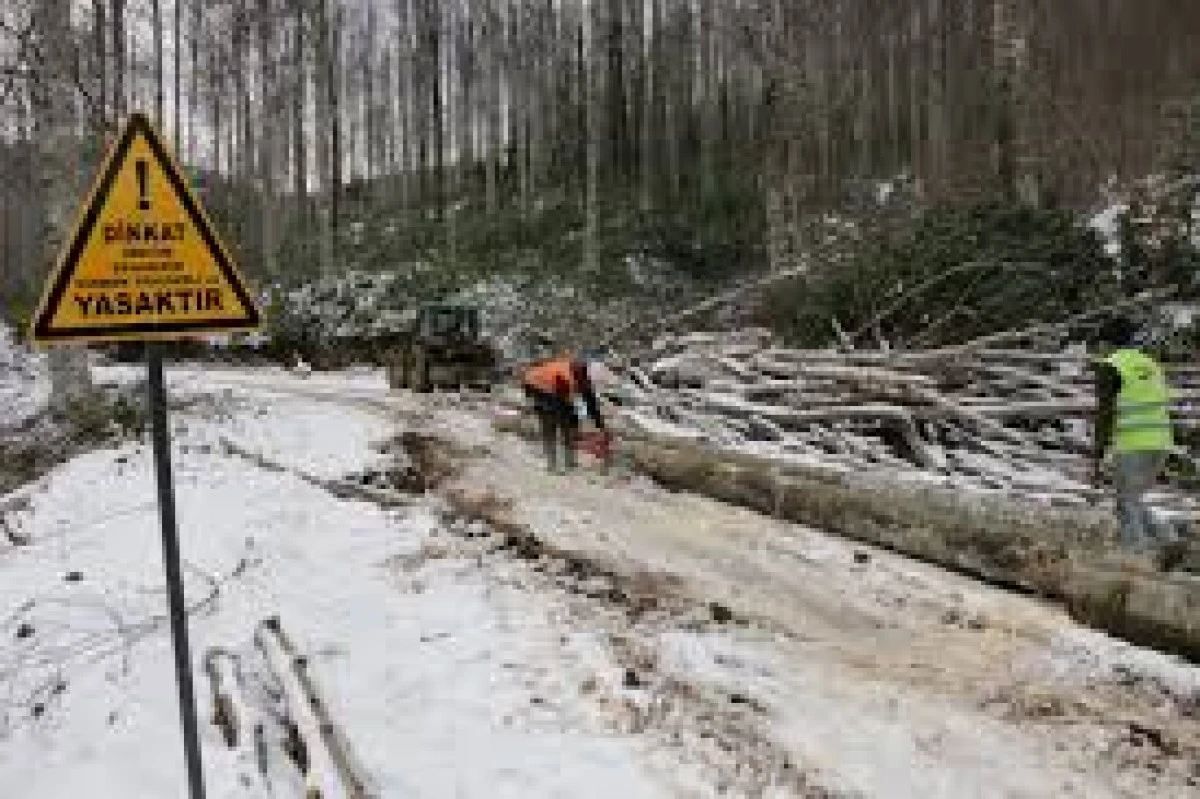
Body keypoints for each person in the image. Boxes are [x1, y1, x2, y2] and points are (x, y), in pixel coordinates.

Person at [1091, 317, 1175, 559]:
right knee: (1130, 499)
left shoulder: (1111, 366)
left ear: (1109, 343)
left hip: (1132, 444)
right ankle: (1168, 539)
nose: (1100, 349)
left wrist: (1097, 455)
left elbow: (1104, 415)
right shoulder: (1150, 364)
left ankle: (1136, 558)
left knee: (1126, 505)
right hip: (1161, 443)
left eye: (1102, 343)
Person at [522, 352, 605, 473]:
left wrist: (599, 424)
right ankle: (552, 464)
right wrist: (573, 417)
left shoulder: (583, 376)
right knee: (550, 422)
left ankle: (569, 462)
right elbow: (560, 402)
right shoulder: (564, 375)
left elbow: (589, 400)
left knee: (569, 423)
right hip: (536, 385)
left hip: (553, 389)